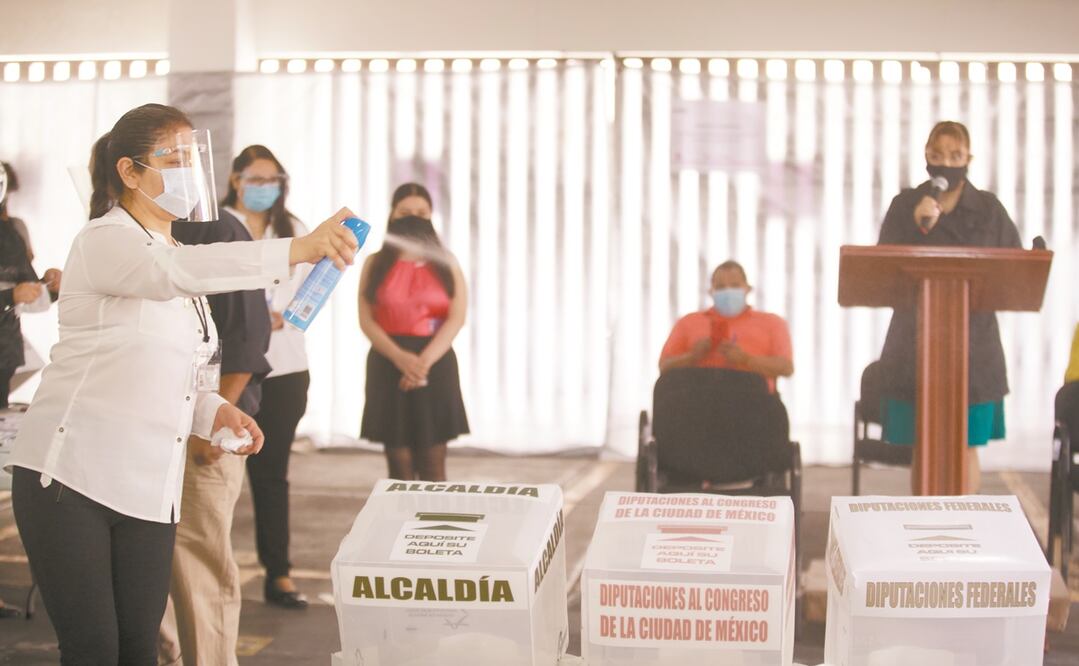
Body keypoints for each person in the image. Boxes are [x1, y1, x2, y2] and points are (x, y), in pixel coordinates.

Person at [3, 103, 358, 664]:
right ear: (129, 172)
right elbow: (174, 274)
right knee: (95, 647)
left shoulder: (173, 253)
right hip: (70, 479)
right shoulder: (104, 241)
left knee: (139, 647)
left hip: (147, 486)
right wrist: (296, 250)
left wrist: (213, 410)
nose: (189, 171)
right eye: (174, 158)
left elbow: (175, 367)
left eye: (193, 157)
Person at [157, 157, 278, 663]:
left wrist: (214, 423)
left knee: (201, 563)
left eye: (177, 159)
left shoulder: (214, 228)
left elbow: (248, 335)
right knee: (156, 571)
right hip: (153, 429)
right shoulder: (135, 237)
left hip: (207, 429)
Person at [875, 120, 1022, 492]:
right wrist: (916, 225)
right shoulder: (907, 204)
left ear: (968, 158)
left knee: (966, 443)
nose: (946, 161)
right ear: (926, 155)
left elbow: (1014, 269)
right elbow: (880, 266)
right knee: (922, 442)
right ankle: (922, 535)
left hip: (972, 346)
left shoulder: (988, 208)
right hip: (915, 343)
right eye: (938, 154)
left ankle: (963, 530)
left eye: (955, 155)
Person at [230, 145, 313, 610]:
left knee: (272, 475)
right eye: (255, 179)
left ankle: (277, 573)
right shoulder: (217, 226)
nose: (264, 188)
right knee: (216, 474)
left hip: (284, 368)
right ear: (236, 179)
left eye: (272, 180)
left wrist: (283, 317)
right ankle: (206, 570)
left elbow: (310, 295)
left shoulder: (294, 229)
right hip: (228, 371)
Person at [359, 183, 469, 481]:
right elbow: (367, 320)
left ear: (431, 216)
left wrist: (422, 363)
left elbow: (456, 317)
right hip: (387, 363)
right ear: (393, 215)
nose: (414, 217)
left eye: (421, 212)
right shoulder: (375, 263)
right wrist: (400, 358)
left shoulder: (447, 262)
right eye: (406, 211)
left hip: (436, 363)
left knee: (434, 462)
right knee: (399, 464)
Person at [659, 260, 793, 392]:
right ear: (711, 291)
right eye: (720, 287)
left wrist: (746, 359)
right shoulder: (688, 322)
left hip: (753, 402)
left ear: (747, 289)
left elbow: (786, 368)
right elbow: (664, 367)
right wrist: (692, 356)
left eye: (735, 285)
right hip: (697, 400)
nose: (728, 291)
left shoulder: (772, 323)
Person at [0, 161, 61, 408]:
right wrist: (10, 296)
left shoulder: (14, 230)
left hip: (6, 350)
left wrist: (50, 287)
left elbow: (27, 295)